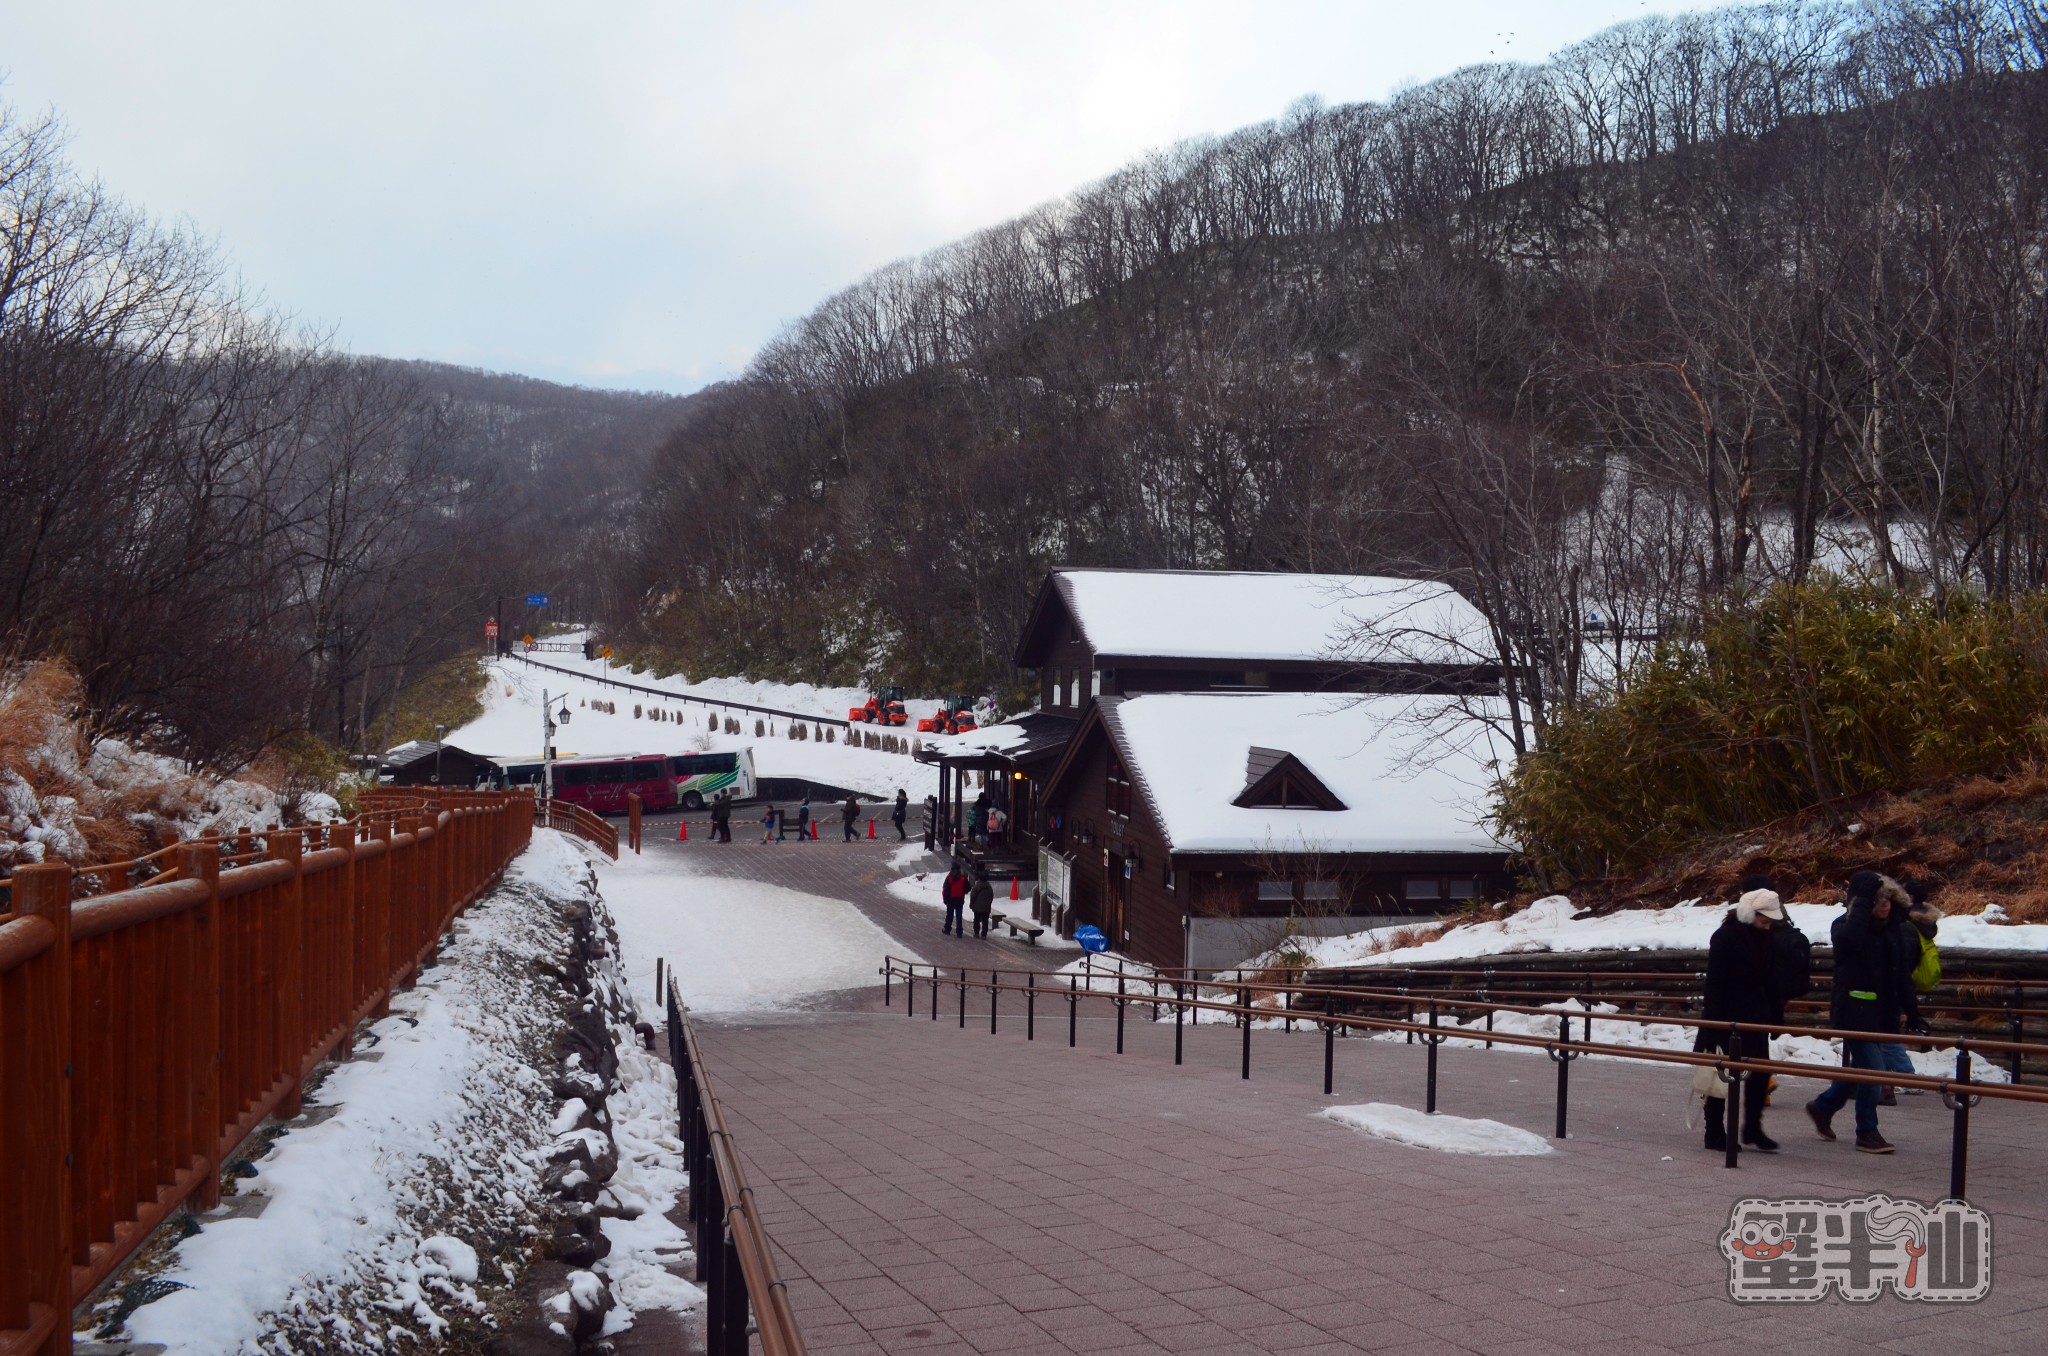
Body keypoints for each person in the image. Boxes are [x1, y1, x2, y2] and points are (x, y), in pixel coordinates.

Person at [1806, 870, 1930, 1154]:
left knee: (1864, 1069)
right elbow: (1848, 944)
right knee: (1874, 1071)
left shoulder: (1895, 930)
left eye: (1887, 898)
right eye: (1876, 899)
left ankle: (1823, 1106)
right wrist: (1861, 904)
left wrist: (1912, 1013)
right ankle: (1867, 1131)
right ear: (1862, 902)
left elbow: (1901, 977)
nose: (1884, 904)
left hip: (1883, 1013)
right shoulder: (1845, 925)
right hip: (1854, 1011)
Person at [1697, 888, 1790, 1152]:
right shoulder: (1725, 937)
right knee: (1719, 1075)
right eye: (1764, 920)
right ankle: (1714, 1131)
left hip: (1755, 1016)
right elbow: (1714, 985)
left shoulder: (1765, 937)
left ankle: (1753, 1127)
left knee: (1760, 1073)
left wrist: (1776, 1016)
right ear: (1750, 914)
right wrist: (1712, 1026)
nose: (1768, 925)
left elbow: (1770, 978)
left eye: (1771, 921)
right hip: (1725, 1017)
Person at [1876, 876, 1942, 1103]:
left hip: (1895, 986)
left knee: (1886, 1035)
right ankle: (1880, 1082)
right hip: (1903, 985)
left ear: (1909, 897)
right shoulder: (1924, 923)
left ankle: (1905, 1077)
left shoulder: (1906, 926)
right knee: (1884, 1035)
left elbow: (1900, 961)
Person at [940, 861, 970, 937]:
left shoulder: (949, 877)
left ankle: (947, 929)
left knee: (949, 915)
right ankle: (959, 932)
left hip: (950, 899)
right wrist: (963, 892)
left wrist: (945, 898)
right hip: (960, 898)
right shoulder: (963, 877)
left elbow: (945, 889)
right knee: (959, 915)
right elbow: (968, 887)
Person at [969, 867, 996, 939]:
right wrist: (988, 904)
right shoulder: (989, 887)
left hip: (977, 907)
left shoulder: (977, 886)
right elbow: (991, 896)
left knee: (976, 919)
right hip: (986, 907)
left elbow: (973, 896)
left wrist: (971, 904)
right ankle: (984, 934)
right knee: (985, 920)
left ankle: (976, 932)